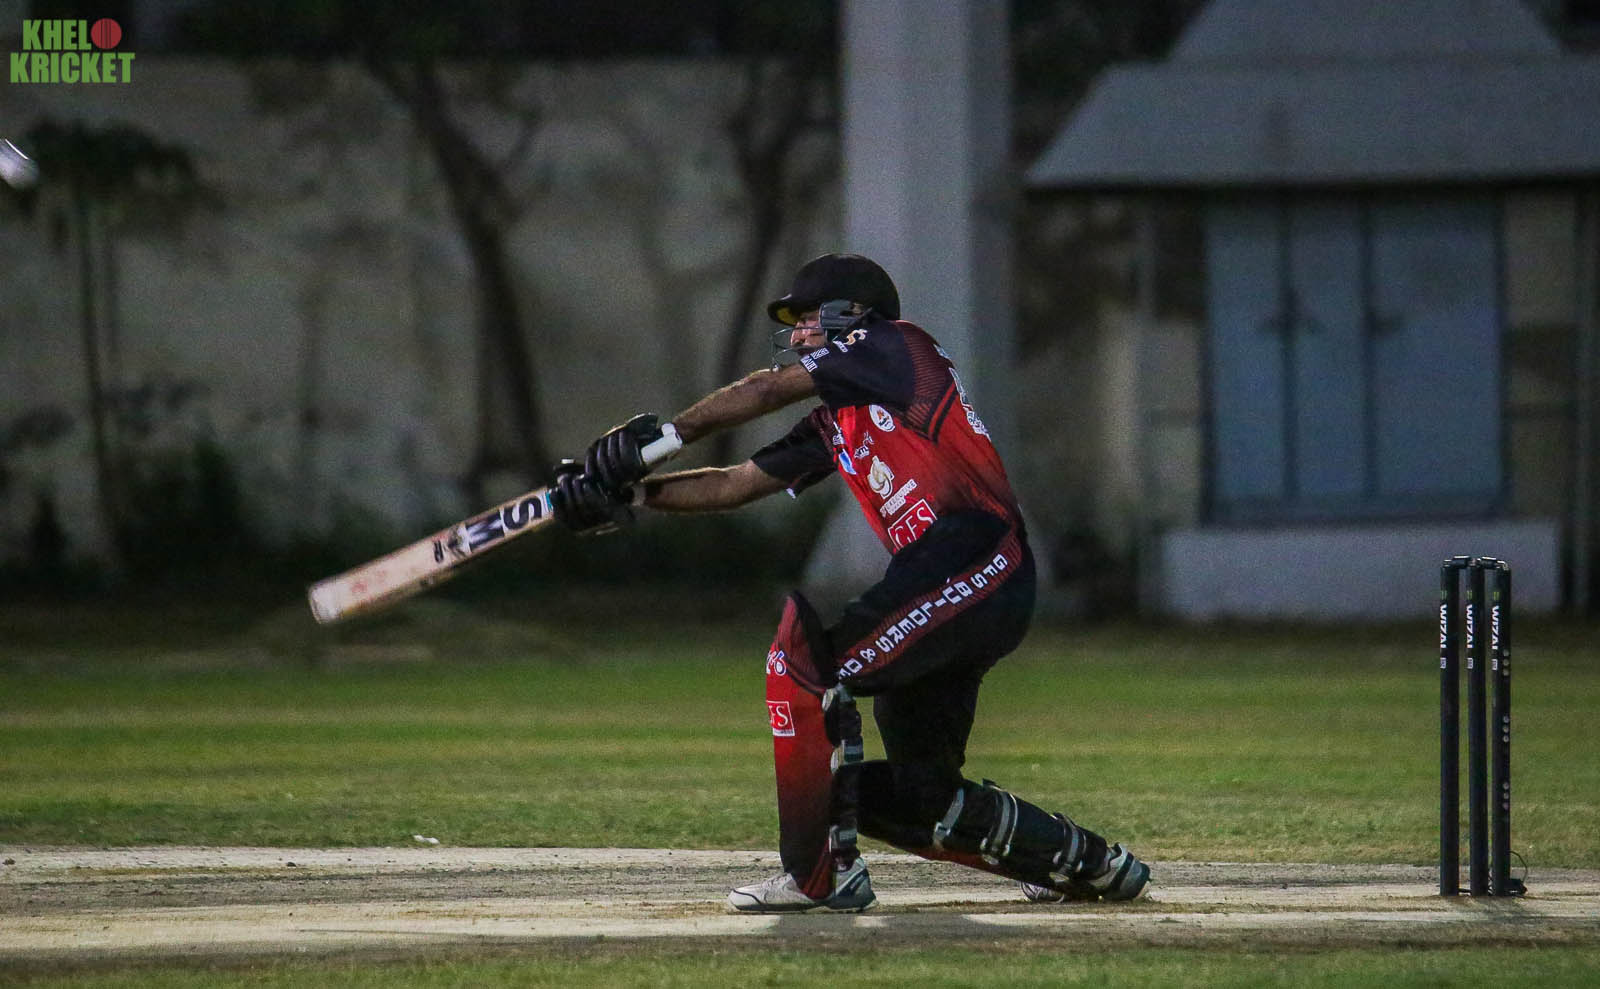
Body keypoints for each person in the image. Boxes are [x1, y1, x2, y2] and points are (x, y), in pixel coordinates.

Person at [550, 253, 1150, 913]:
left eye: (810, 318)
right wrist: (632, 494)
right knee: (917, 798)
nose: (799, 334)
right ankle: (1085, 863)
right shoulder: (837, 417)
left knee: (807, 670)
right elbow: (734, 484)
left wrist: (664, 437)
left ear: (853, 316)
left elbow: (766, 390)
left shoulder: (897, 344)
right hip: (955, 582)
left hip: (973, 553)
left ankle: (820, 874)